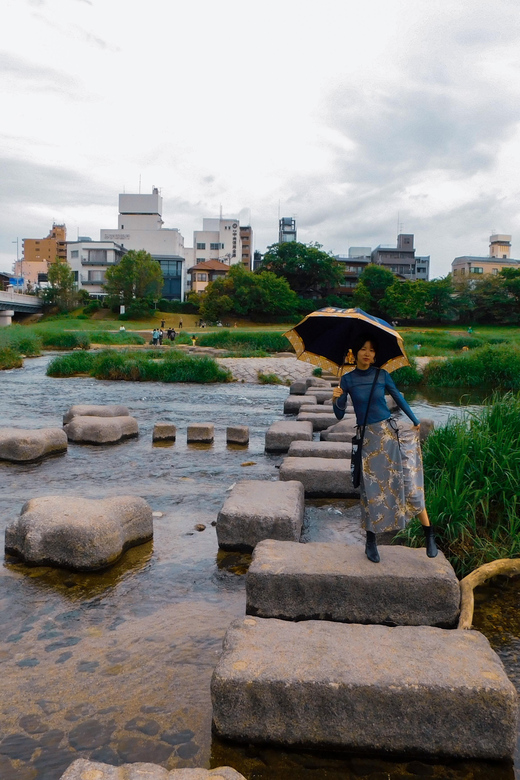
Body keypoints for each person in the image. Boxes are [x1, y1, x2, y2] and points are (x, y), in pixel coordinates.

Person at [332, 334, 437, 563]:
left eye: (371, 350)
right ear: (355, 352)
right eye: (363, 349)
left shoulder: (382, 375)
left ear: (375, 355)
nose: (367, 353)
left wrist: (415, 419)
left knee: (408, 481)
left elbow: (398, 397)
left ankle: (429, 533)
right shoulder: (347, 380)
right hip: (368, 441)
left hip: (390, 435)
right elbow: (339, 414)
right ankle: (371, 541)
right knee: (371, 491)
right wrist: (336, 399)